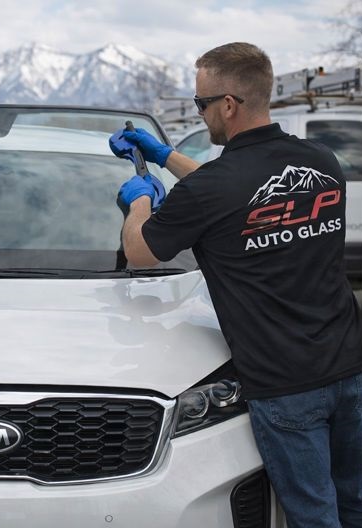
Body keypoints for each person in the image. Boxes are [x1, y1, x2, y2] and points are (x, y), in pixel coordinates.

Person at [112, 42, 362, 528]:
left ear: (227, 105)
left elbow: (141, 251)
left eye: (201, 103)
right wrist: (165, 157)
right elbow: (234, 192)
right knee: (355, 505)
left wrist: (139, 199)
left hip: (285, 385)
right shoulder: (322, 161)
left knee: (314, 516)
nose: (199, 113)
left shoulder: (213, 188)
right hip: (350, 368)